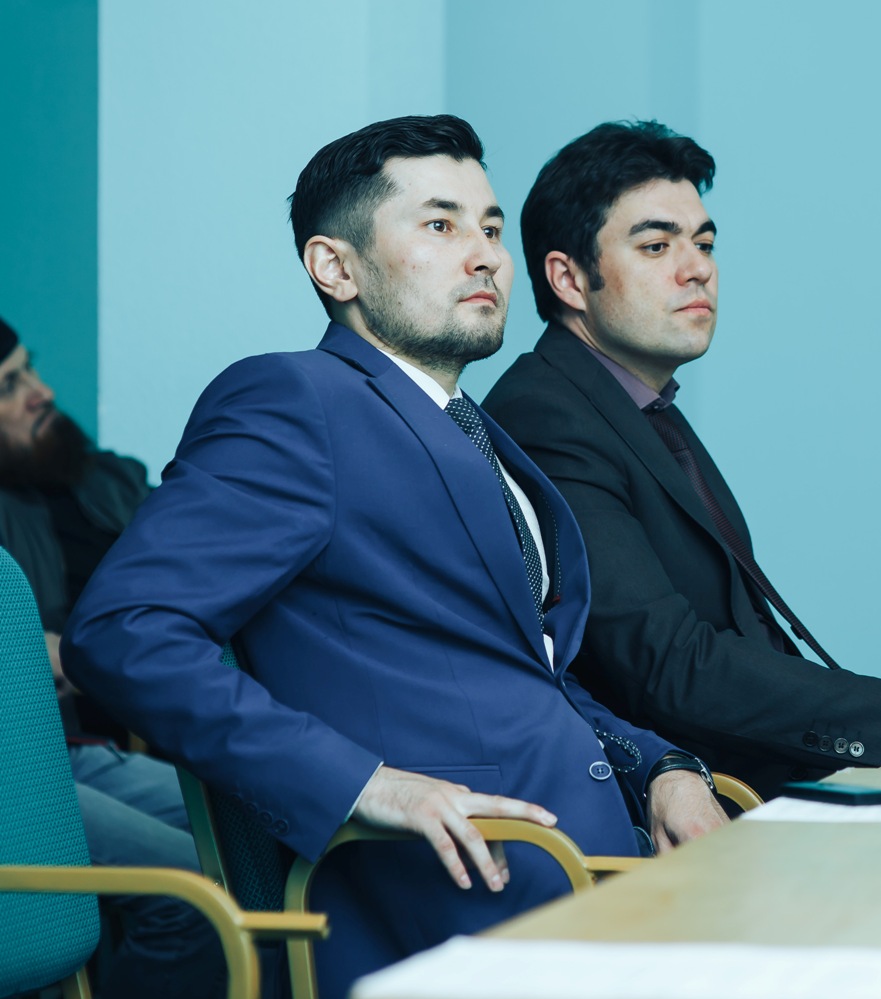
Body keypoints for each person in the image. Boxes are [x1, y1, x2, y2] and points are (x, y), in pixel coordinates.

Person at [64, 115, 725, 999]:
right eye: (441, 225)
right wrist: (361, 784)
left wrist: (662, 767)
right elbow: (123, 629)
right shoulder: (294, 401)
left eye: (490, 227)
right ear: (335, 268)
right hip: (455, 912)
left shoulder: (474, 430)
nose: (485, 255)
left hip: (600, 880)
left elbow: (529, 676)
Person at [482, 121, 881, 797]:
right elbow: (666, 664)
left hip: (764, 781)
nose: (697, 268)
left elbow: (746, 639)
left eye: (705, 243)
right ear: (568, 278)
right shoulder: (547, 416)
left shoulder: (640, 408)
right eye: (656, 246)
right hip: (680, 809)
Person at [0, 315, 226, 997]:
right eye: (9, 386)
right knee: (190, 886)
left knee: (252, 828)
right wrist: (88, 653)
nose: (40, 392)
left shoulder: (107, 480)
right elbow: (33, 659)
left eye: (30, 369)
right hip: (24, 766)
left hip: (88, 745)